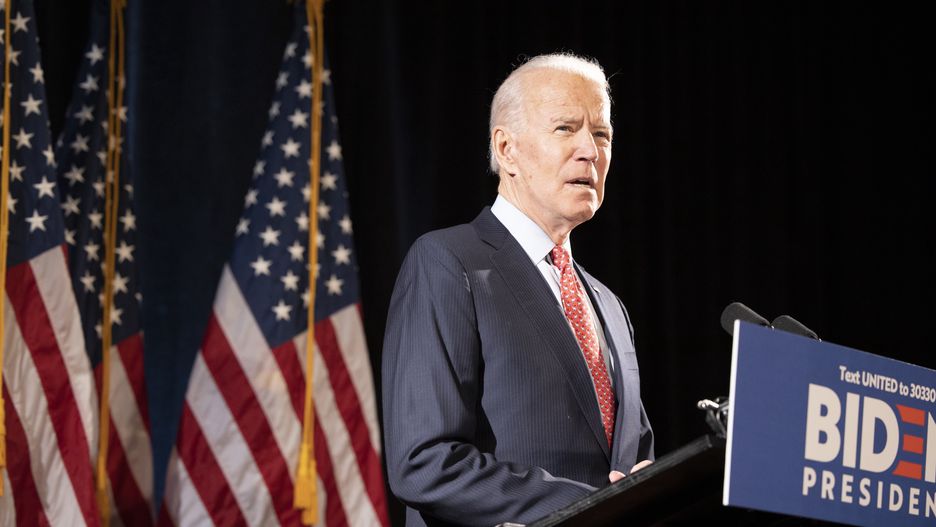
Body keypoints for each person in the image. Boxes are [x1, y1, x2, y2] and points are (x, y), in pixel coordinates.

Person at [382, 53, 654, 527]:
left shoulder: (609, 306)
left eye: (602, 134)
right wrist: (588, 506)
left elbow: (631, 464)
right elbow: (424, 463)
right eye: (566, 128)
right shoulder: (449, 263)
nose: (590, 151)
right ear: (506, 150)